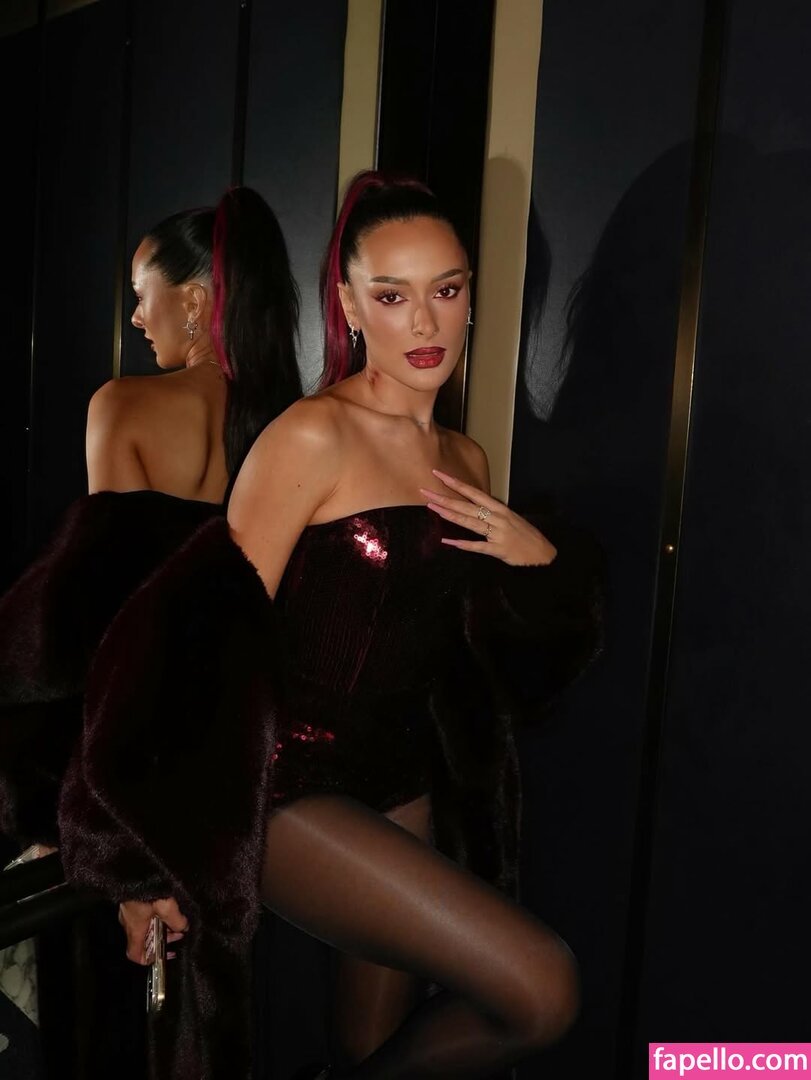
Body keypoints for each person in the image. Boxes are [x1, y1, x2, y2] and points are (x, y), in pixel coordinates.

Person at [98, 172, 603, 1079]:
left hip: (401, 779)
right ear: (349, 304)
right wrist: (147, 858)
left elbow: (476, 653)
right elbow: (204, 645)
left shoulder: (466, 458)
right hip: (288, 784)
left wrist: (538, 567)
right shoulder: (311, 436)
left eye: (446, 290)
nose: (425, 322)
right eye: (393, 296)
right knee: (542, 988)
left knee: (372, 1048)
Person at [86, 187, 302, 499]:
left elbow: (114, 531)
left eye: (140, 296)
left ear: (192, 303)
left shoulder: (119, 405)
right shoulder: (287, 416)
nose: (135, 318)